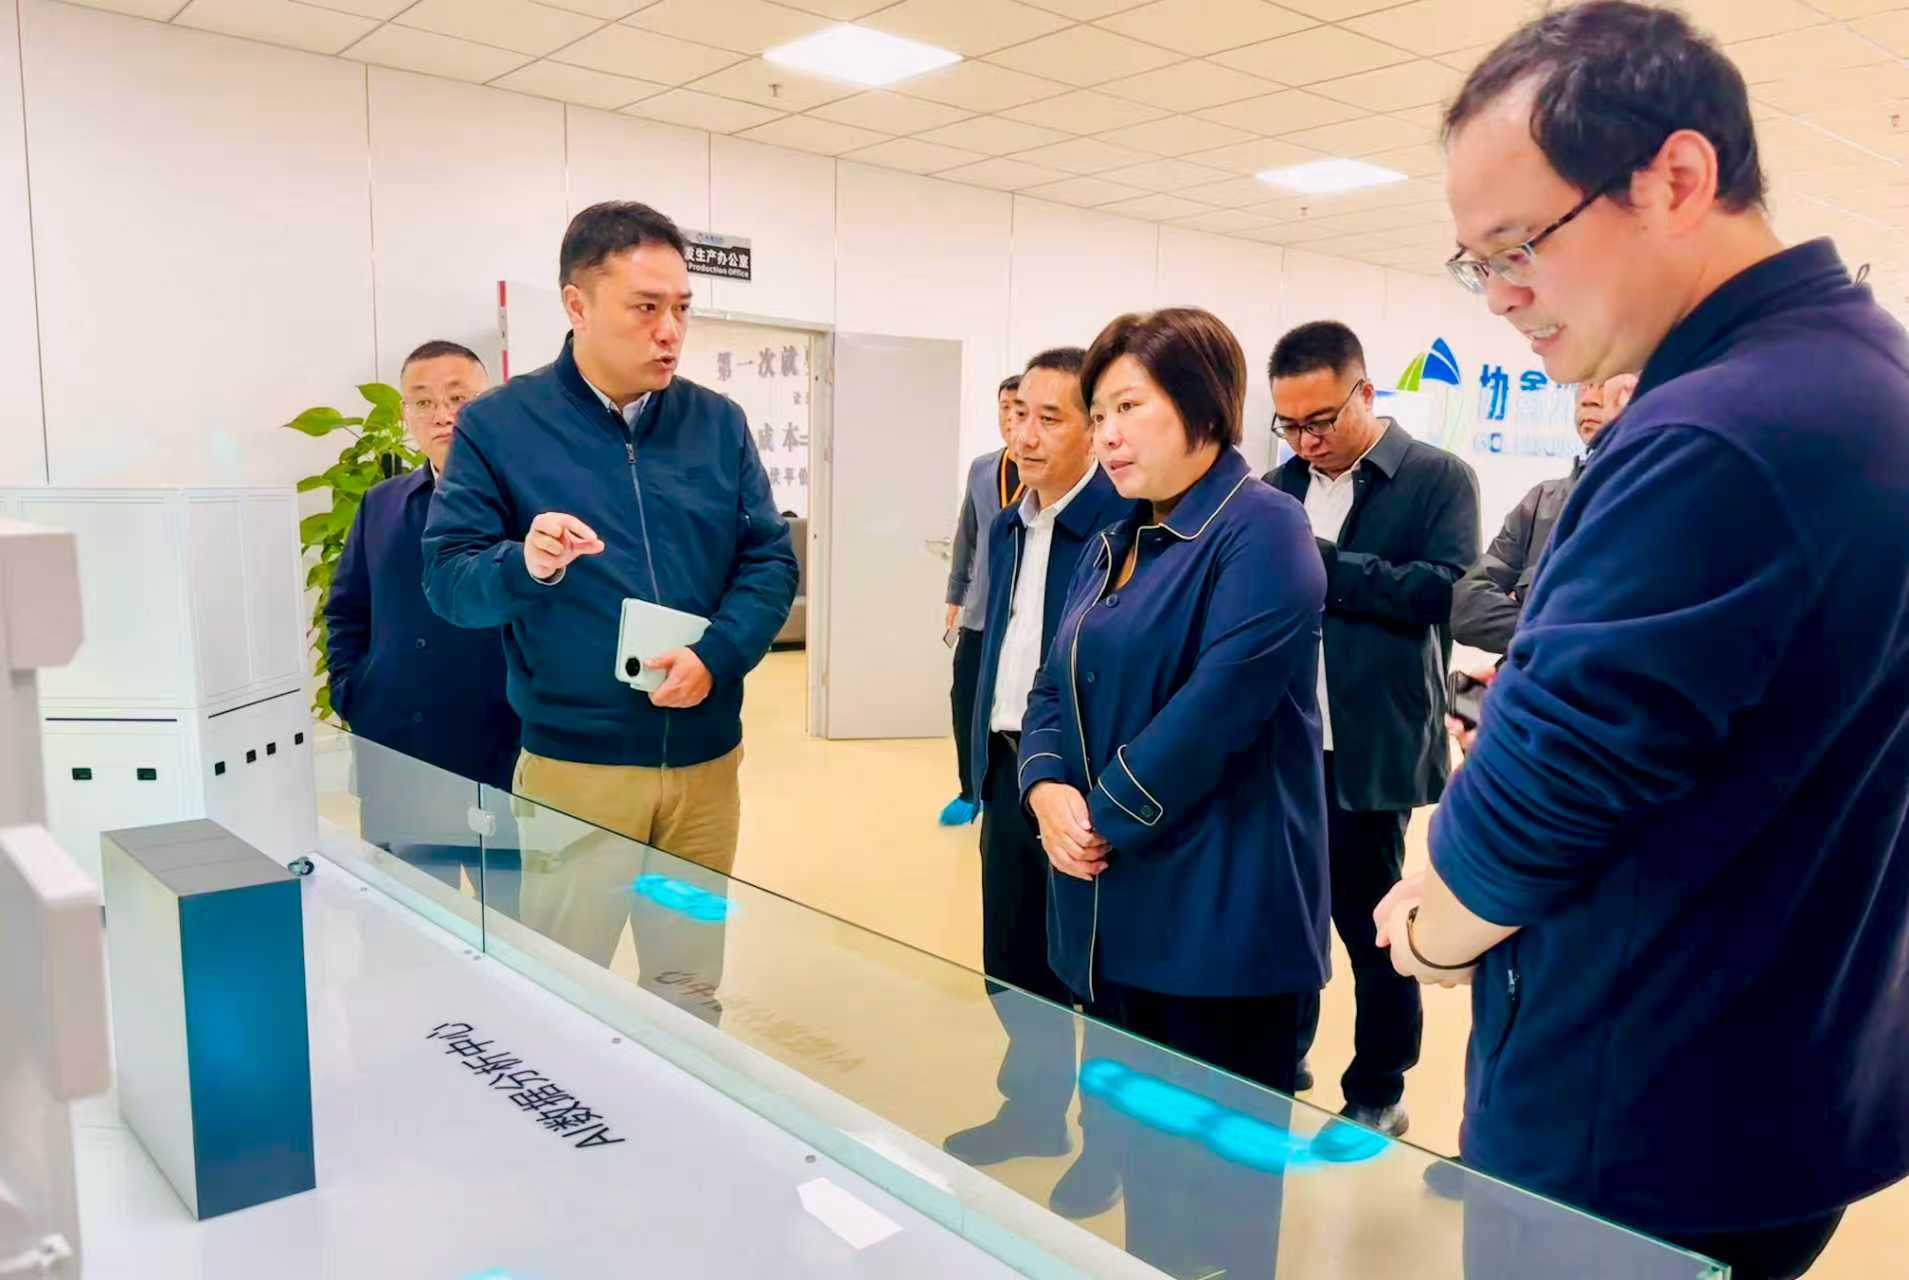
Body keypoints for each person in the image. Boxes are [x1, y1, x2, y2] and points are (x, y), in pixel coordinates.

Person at [1374, 6, 1909, 1279]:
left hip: (1633, 1124)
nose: (1502, 295)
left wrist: (1429, 925)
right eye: (1473, 265)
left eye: (1518, 246)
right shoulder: (1863, 374)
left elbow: (1551, 787)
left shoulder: (1715, 429)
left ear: (1675, 177)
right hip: (1778, 1077)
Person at [423, 202, 798, 1015]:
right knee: (565, 986)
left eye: (682, 309)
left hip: (704, 765)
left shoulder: (716, 423)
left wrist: (718, 656)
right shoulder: (500, 426)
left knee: (686, 985)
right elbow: (449, 580)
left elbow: (768, 560)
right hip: (579, 770)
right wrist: (524, 563)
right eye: (645, 307)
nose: (670, 332)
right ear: (577, 305)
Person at [1019, 308, 1328, 1278]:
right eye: (1097, 413)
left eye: (1127, 408)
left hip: (1220, 914)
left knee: (1218, 1203)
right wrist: (1044, 789)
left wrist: (1096, 815)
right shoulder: (1117, 533)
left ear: (1201, 407)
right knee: (1146, 1176)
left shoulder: (1261, 528)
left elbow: (1215, 708)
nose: (1105, 434)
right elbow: (1049, 682)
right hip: (1116, 903)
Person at [1263, 320, 1481, 1138]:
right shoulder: (1275, 486)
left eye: (1321, 420)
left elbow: (1445, 591)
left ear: (1365, 392)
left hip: (1367, 744)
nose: (1306, 440)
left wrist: (1326, 567)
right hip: (1281, 740)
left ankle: (1378, 1088)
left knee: (1371, 926)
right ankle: (1280, 1059)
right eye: (1289, 424)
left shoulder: (1434, 478)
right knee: (1281, 917)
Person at [941, 347, 1135, 1220]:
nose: (1023, 435)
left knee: (1093, 975)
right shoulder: (1008, 520)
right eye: (1017, 413)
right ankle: (1032, 1112)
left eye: (1048, 418)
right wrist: (976, 766)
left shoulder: (1121, 526)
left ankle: (1109, 1148)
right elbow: (997, 642)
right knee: (1011, 961)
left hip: (1082, 784)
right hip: (1007, 765)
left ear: (1094, 429)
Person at [326, 340, 521, 907]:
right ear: (405, 414)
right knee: (404, 924)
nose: (443, 415)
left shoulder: (527, 505)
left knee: (511, 929)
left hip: (500, 757)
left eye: (460, 398)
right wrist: (353, 691)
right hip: (399, 754)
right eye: (424, 401)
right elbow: (347, 609)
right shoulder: (382, 503)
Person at [1450, 371, 1636, 654]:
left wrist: (1528, 623)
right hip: (1530, 678)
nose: (1588, 399)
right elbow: (1468, 610)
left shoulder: (1662, 499)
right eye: (1584, 386)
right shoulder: (1541, 502)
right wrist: (1554, 637)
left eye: (1602, 385)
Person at [939, 376, 1024, 826]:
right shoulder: (983, 469)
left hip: (1024, 614)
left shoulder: (1048, 470)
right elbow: (966, 535)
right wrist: (956, 594)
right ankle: (970, 790)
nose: (1011, 417)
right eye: (1004, 407)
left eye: (1020, 408)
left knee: (1009, 705)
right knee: (966, 699)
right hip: (979, 610)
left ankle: (1005, 790)